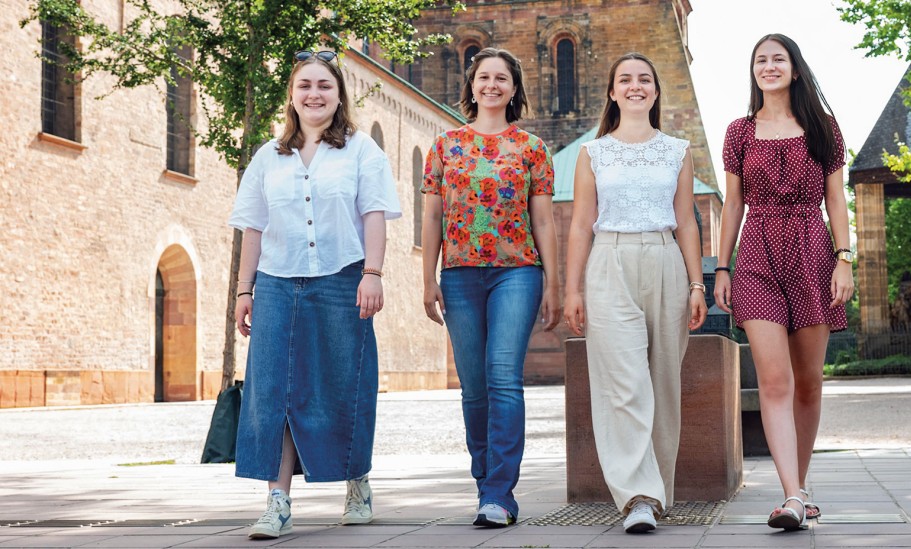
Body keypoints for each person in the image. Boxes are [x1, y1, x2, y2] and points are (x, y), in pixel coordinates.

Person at [229, 49, 401, 540]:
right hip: (278, 283)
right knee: (273, 389)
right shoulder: (268, 156)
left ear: (338, 95)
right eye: (305, 85)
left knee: (346, 384)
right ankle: (277, 501)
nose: (314, 94)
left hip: (342, 279)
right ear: (291, 95)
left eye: (324, 85)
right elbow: (253, 228)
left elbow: (373, 214)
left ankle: (357, 483)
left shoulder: (362, 150)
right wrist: (245, 289)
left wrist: (373, 272)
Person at [713, 34, 854, 531]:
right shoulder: (738, 132)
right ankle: (792, 496)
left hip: (813, 252)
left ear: (795, 69)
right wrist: (722, 266)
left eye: (778, 59)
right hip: (756, 254)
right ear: (752, 72)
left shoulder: (824, 128)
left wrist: (844, 258)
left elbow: (836, 200)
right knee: (775, 381)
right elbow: (732, 204)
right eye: (760, 60)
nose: (769, 67)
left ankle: (800, 487)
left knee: (809, 384)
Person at [563, 52, 708, 534]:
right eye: (625, 79)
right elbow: (581, 224)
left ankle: (655, 489)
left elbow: (687, 221)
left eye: (644, 79)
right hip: (609, 262)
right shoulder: (593, 154)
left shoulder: (677, 150)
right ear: (612, 91)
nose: (635, 86)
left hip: (665, 258)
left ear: (655, 91)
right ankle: (637, 497)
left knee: (663, 381)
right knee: (624, 383)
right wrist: (573, 289)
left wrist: (696, 284)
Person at [420, 47, 560, 528]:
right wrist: (428, 280)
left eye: (502, 78)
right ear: (472, 85)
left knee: (503, 378)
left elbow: (543, 219)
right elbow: (433, 215)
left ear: (514, 88)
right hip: (458, 275)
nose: (492, 85)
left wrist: (553, 282)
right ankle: (484, 481)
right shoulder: (445, 146)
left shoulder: (532, 149)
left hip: (517, 272)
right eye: (484, 77)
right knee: (474, 388)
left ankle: (500, 493)